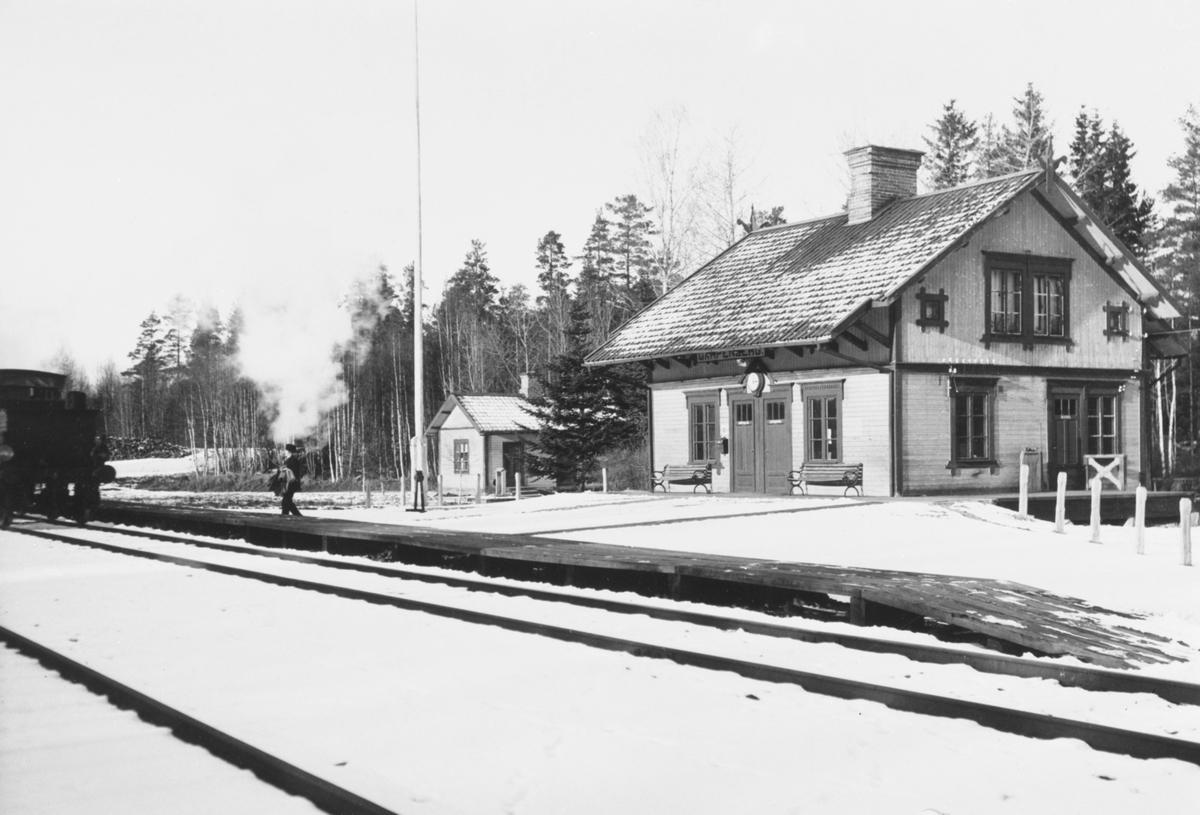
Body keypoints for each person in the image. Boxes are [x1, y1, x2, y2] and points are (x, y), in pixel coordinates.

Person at [280, 443, 306, 516]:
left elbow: (294, 473)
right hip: (287, 484)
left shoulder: (294, 460)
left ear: (289, 451)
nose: (284, 452)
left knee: (287, 501)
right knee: (285, 501)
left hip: (291, 484)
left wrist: (286, 469)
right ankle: (285, 516)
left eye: (285, 450)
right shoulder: (288, 460)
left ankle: (297, 516)